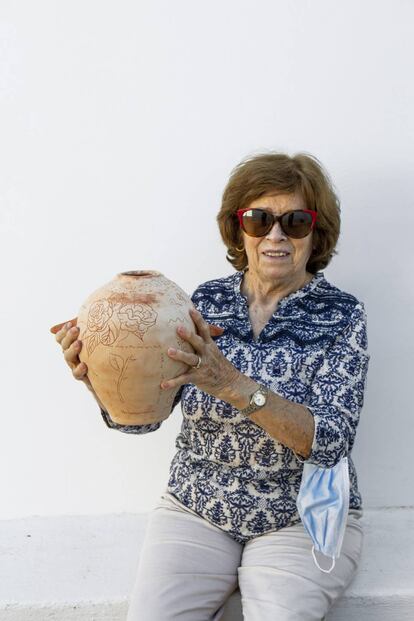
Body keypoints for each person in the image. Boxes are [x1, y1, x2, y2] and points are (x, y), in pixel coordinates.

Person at [56, 151, 370, 621]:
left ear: (316, 232)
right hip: (197, 505)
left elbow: (329, 443)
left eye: (296, 221)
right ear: (237, 227)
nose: (276, 235)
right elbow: (147, 421)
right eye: (259, 219)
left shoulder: (342, 315)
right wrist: (103, 380)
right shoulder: (202, 301)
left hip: (299, 515)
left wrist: (232, 384)